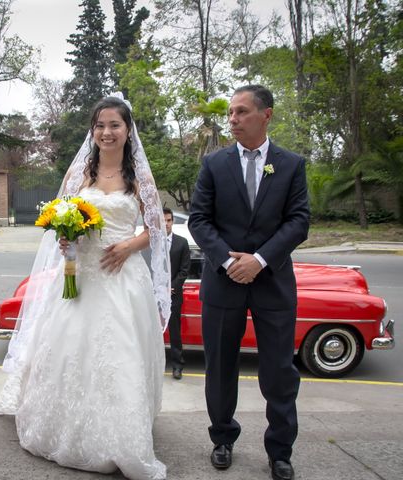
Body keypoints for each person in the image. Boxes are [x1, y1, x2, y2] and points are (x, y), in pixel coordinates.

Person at [0, 93, 171, 480]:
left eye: (114, 125)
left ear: (127, 131)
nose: (107, 132)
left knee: (118, 354)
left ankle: (121, 434)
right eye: (100, 125)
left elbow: (159, 228)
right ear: (92, 131)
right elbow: (61, 217)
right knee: (69, 351)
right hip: (79, 276)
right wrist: (64, 240)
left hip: (122, 279)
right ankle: (63, 425)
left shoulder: (138, 177)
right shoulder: (80, 175)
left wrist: (128, 245)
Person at [188, 85, 309, 480]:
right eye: (231, 114)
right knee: (220, 367)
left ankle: (280, 451)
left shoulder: (291, 164)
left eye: (241, 112)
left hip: (272, 282)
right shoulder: (214, 164)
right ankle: (222, 439)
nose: (233, 120)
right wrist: (227, 260)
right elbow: (199, 221)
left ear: (266, 115)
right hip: (223, 284)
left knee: (278, 371)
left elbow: (298, 221)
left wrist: (259, 260)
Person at [163, 207, 191, 380]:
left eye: (169, 220)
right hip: (153, 294)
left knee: (174, 331)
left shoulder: (182, 242)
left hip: (174, 294)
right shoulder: (151, 242)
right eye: (163, 220)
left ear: (173, 222)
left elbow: (185, 269)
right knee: (153, 331)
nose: (166, 224)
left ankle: (177, 365)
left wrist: (171, 287)